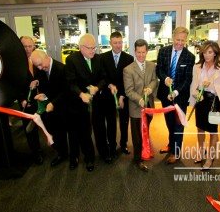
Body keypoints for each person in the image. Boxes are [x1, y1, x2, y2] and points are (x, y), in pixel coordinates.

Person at [189, 40, 220, 170]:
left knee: (213, 131)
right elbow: (194, 84)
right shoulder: (197, 67)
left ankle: (210, 157)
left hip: (215, 101)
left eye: (210, 52)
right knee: (200, 128)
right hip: (201, 100)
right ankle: (201, 151)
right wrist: (196, 93)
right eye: (205, 52)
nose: (207, 55)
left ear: (215, 53)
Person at [65, 34, 105, 172]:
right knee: (83, 132)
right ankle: (89, 158)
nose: (93, 51)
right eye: (90, 48)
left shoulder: (98, 59)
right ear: (81, 47)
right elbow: (70, 82)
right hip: (78, 103)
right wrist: (81, 94)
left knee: (99, 128)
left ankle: (102, 153)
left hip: (96, 102)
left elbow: (103, 78)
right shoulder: (71, 60)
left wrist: (97, 87)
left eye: (95, 47)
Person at [156, 27, 195, 164]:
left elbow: (187, 79)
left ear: (186, 40)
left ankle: (176, 152)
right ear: (173, 37)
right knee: (169, 122)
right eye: (178, 39)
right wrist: (165, 78)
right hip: (165, 95)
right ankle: (171, 144)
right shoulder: (163, 51)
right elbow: (159, 69)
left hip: (180, 97)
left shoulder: (190, 57)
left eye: (182, 41)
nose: (179, 43)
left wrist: (176, 91)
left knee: (178, 125)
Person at [123, 39, 158, 172]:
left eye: (143, 52)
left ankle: (145, 151)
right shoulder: (128, 69)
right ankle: (138, 159)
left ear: (147, 51)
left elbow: (154, 80)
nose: (141, 55)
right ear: (134, 51)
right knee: (137, 136)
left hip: (149, 106)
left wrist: (150, 88)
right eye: (138, 52)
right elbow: (129, 91)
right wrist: (139, 99)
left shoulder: (151, 66)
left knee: (146, 132)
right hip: (136, 108)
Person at [29, 50, 68, 167]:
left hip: (62, 106)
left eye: (41, 64)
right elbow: (46, 88)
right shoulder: (40, 69)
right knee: (54, 130)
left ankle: (66, 153)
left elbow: (65, 91)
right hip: (48, 108)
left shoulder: (61, 69)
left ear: (47, 57)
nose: (40, 68)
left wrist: (53, 103)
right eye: (37, 66)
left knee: (63, 131)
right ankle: (61, 152)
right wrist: (43, 95)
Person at [100, 31, 134, 160]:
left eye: (120, 42)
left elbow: (129, 80)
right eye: (115, 43)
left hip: (123, 96)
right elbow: (103, 76)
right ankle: (112, 145)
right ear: (110, 43)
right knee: (111, 122)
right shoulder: (102, 58)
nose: (118, 45)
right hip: (108, 96)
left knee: (124, 122)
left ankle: (123, 144)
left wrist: (122, 96)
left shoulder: (129, 58)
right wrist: (109, 85)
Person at [19, 36, 43, 165]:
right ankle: (36, 153)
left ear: (34, 46)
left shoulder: (40, 57)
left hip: (42, 99)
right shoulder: (16, 62)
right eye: (25, 46)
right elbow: (15, 84)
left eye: (30, 46)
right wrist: (21, 99)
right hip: (27, 101)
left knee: (48, 125)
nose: (28, 49)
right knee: (30, 130)